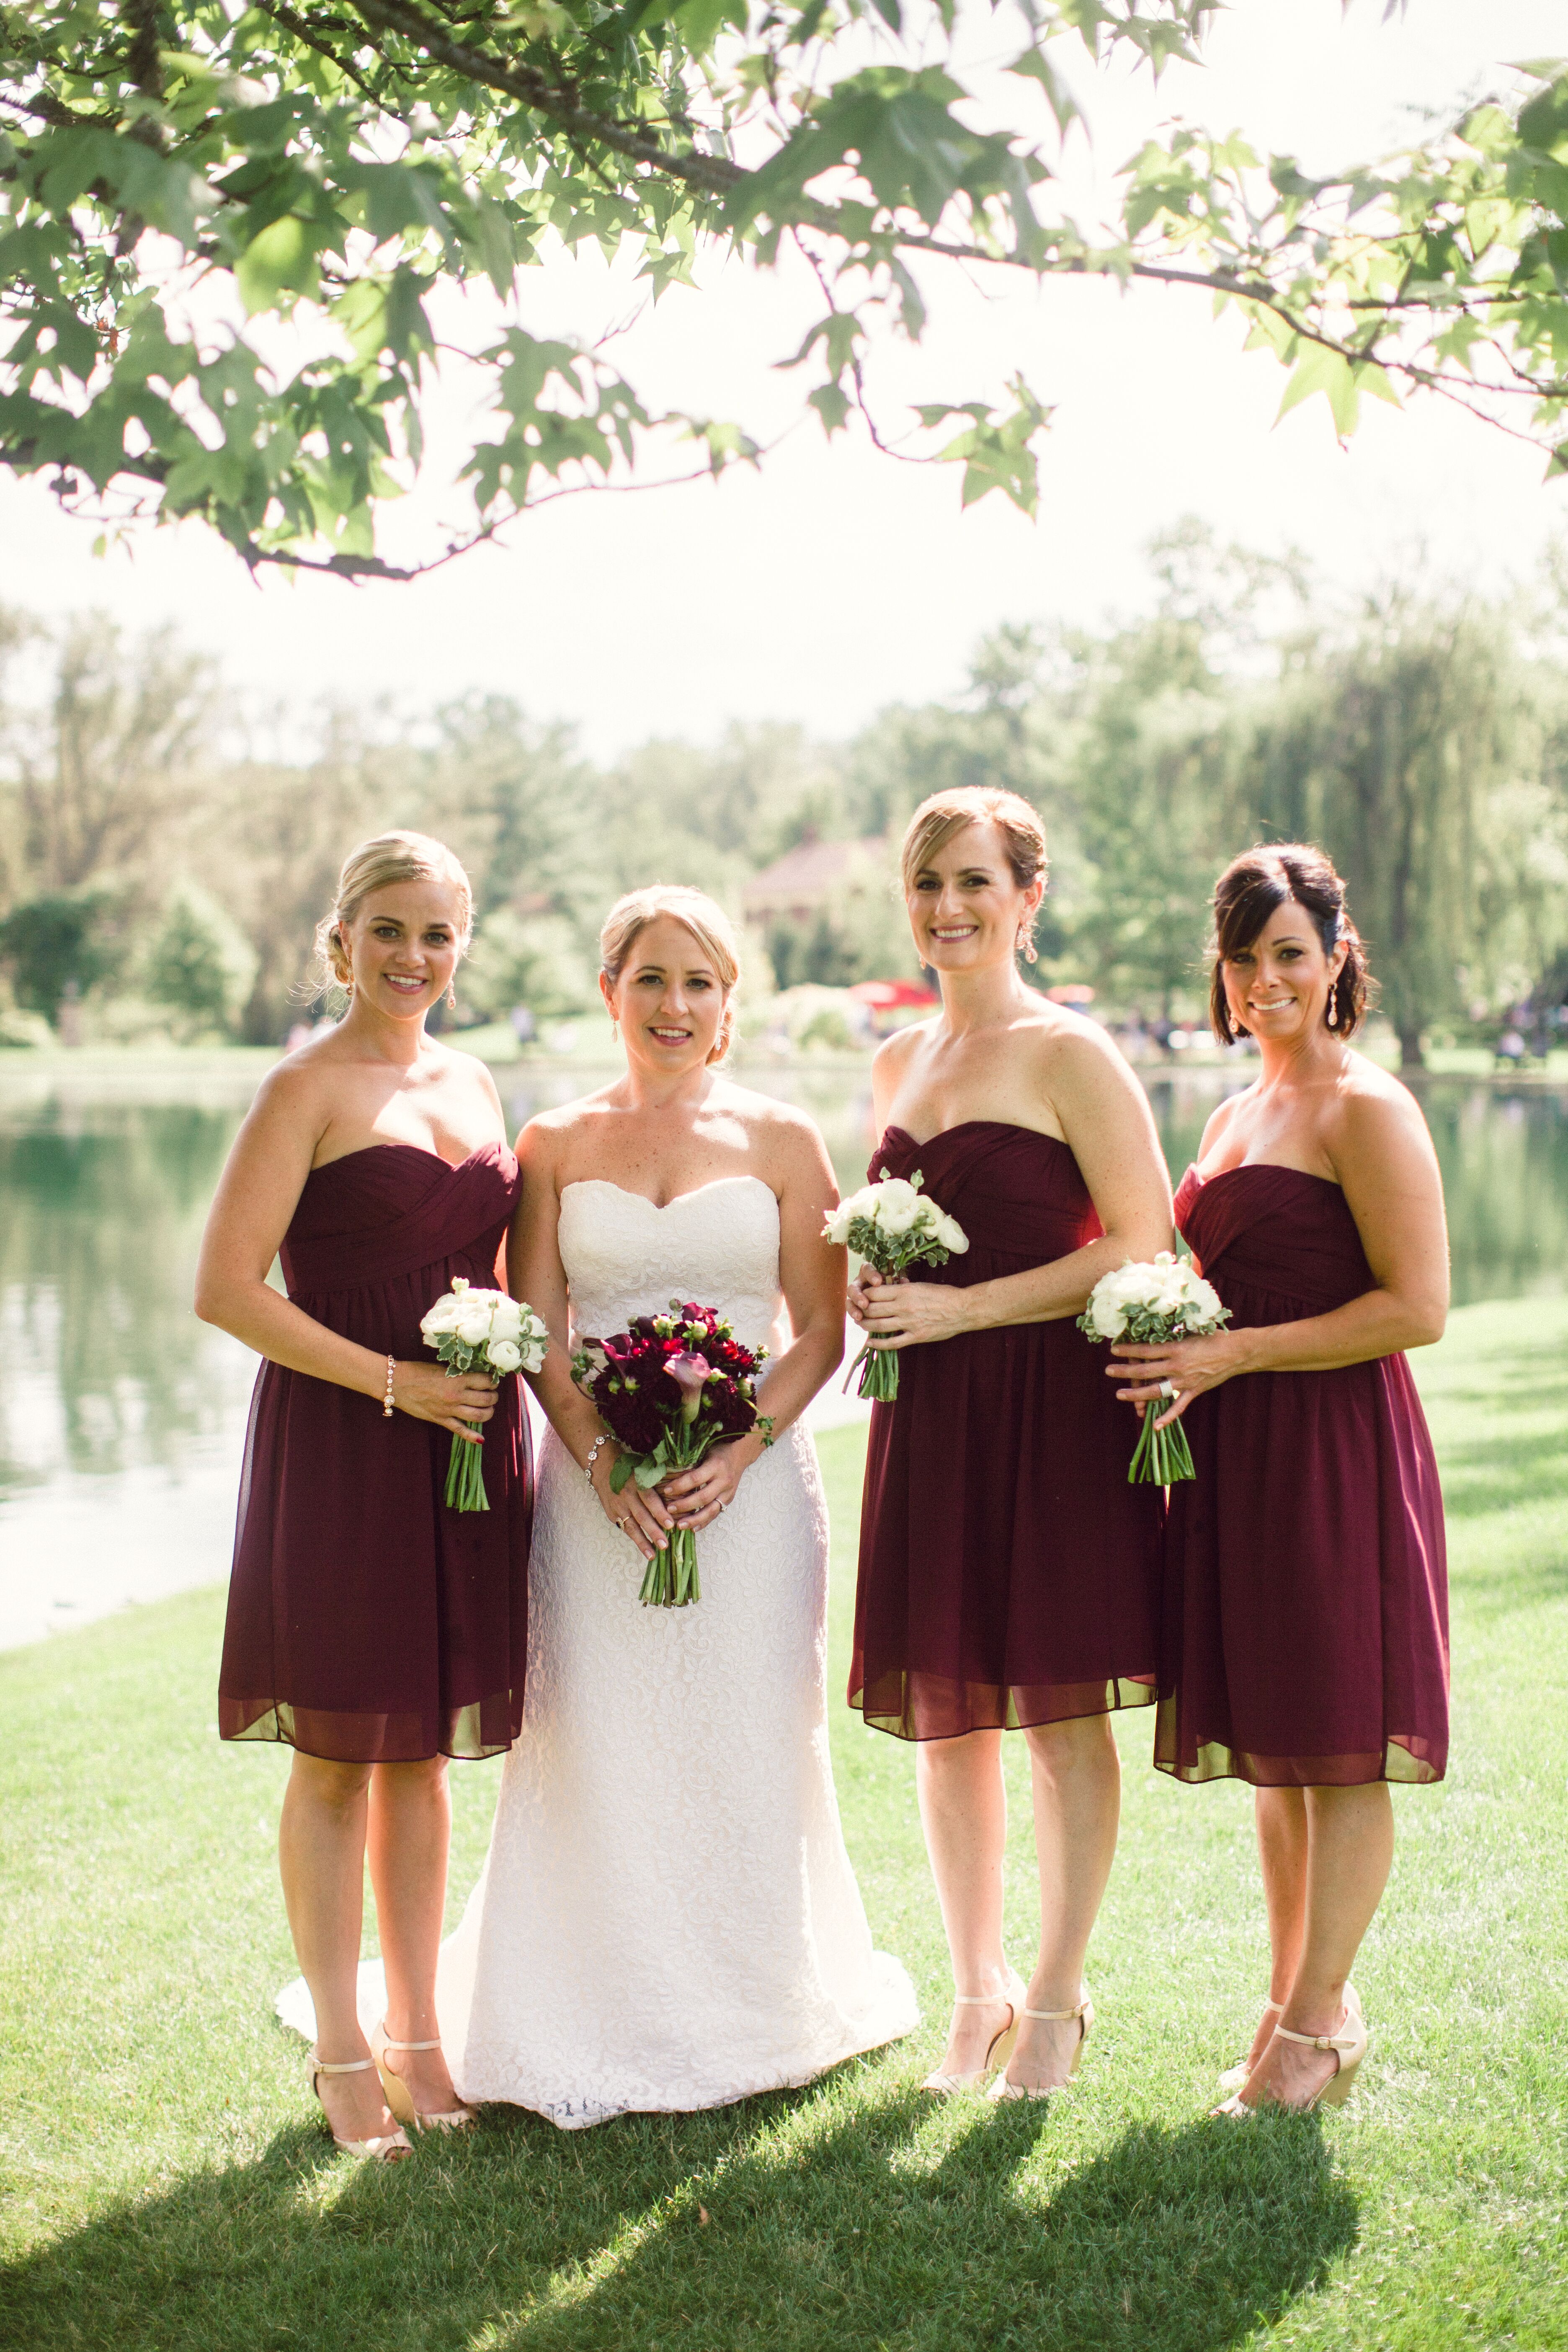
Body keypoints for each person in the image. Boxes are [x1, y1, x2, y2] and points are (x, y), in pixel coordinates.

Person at [433, 884, 916, 2126]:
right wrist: (596, 1456)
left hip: (747, 1498)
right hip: (593, 1504)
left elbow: (817, 1331)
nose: (674, 1005)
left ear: (729, 1004)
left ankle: (752, 2003)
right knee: (596, 1735)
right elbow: (538, 1328)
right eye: (651, 979)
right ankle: (582, 2004)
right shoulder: (552, 1143)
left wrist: (742, 1446)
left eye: (699, 982)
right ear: (611, 993)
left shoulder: (783, 1140)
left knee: (748, 1731)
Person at [196, 830, 529, 2161]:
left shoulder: (478, 1079)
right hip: (345, 1448)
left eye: (438, 933)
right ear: (342, 939)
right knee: (340, 1757)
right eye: (389, 929)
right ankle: (342, 2049)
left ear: (464, 945)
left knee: (428, 1756)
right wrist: (395, 1385)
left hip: (463, 1459)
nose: (413, 957)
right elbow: (226, 1291)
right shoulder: (306, 1090)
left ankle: (418, 2035)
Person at [1112, 843, 1449, 2115]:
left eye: (1290, 954)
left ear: (1336, 958)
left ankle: (1313, 2034)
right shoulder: (1230, 1113)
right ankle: (1297, 2004)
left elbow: (1419, 1307)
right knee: (1277, 1749)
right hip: (1233, 1456)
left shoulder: (1369, 1107)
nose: (1266, 981)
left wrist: (1230, 1350)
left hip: (1330, 1450)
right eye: (1246, 958)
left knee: (1342, 1749)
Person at [848, 787, 1173, 2100]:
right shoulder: (895, 1065)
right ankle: (973, 1992)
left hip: (1048, 1416)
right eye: (929, 885)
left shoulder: (1071, 1056)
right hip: (926, 1420)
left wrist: (965, 1305)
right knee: (947, 1720)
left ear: (1028, 900)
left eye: (976, 882)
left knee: (1052, 1717)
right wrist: (873, 1293)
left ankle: (1055, 1998)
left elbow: (1142, 1241)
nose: (949, 909)